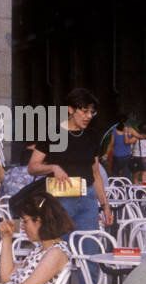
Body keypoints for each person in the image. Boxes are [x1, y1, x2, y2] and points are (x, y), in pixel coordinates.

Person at [27, 87, 114, 230]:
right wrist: (53, 167)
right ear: (70, 110)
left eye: (92, 112)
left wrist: (105, 206)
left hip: (88, 199)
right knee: (62, 247)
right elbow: (32, 167)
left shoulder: (92, 136)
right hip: (60, 199)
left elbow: (96, 173)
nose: (89, 116)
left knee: (89, 247)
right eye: (84, 111)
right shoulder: (52, 133)